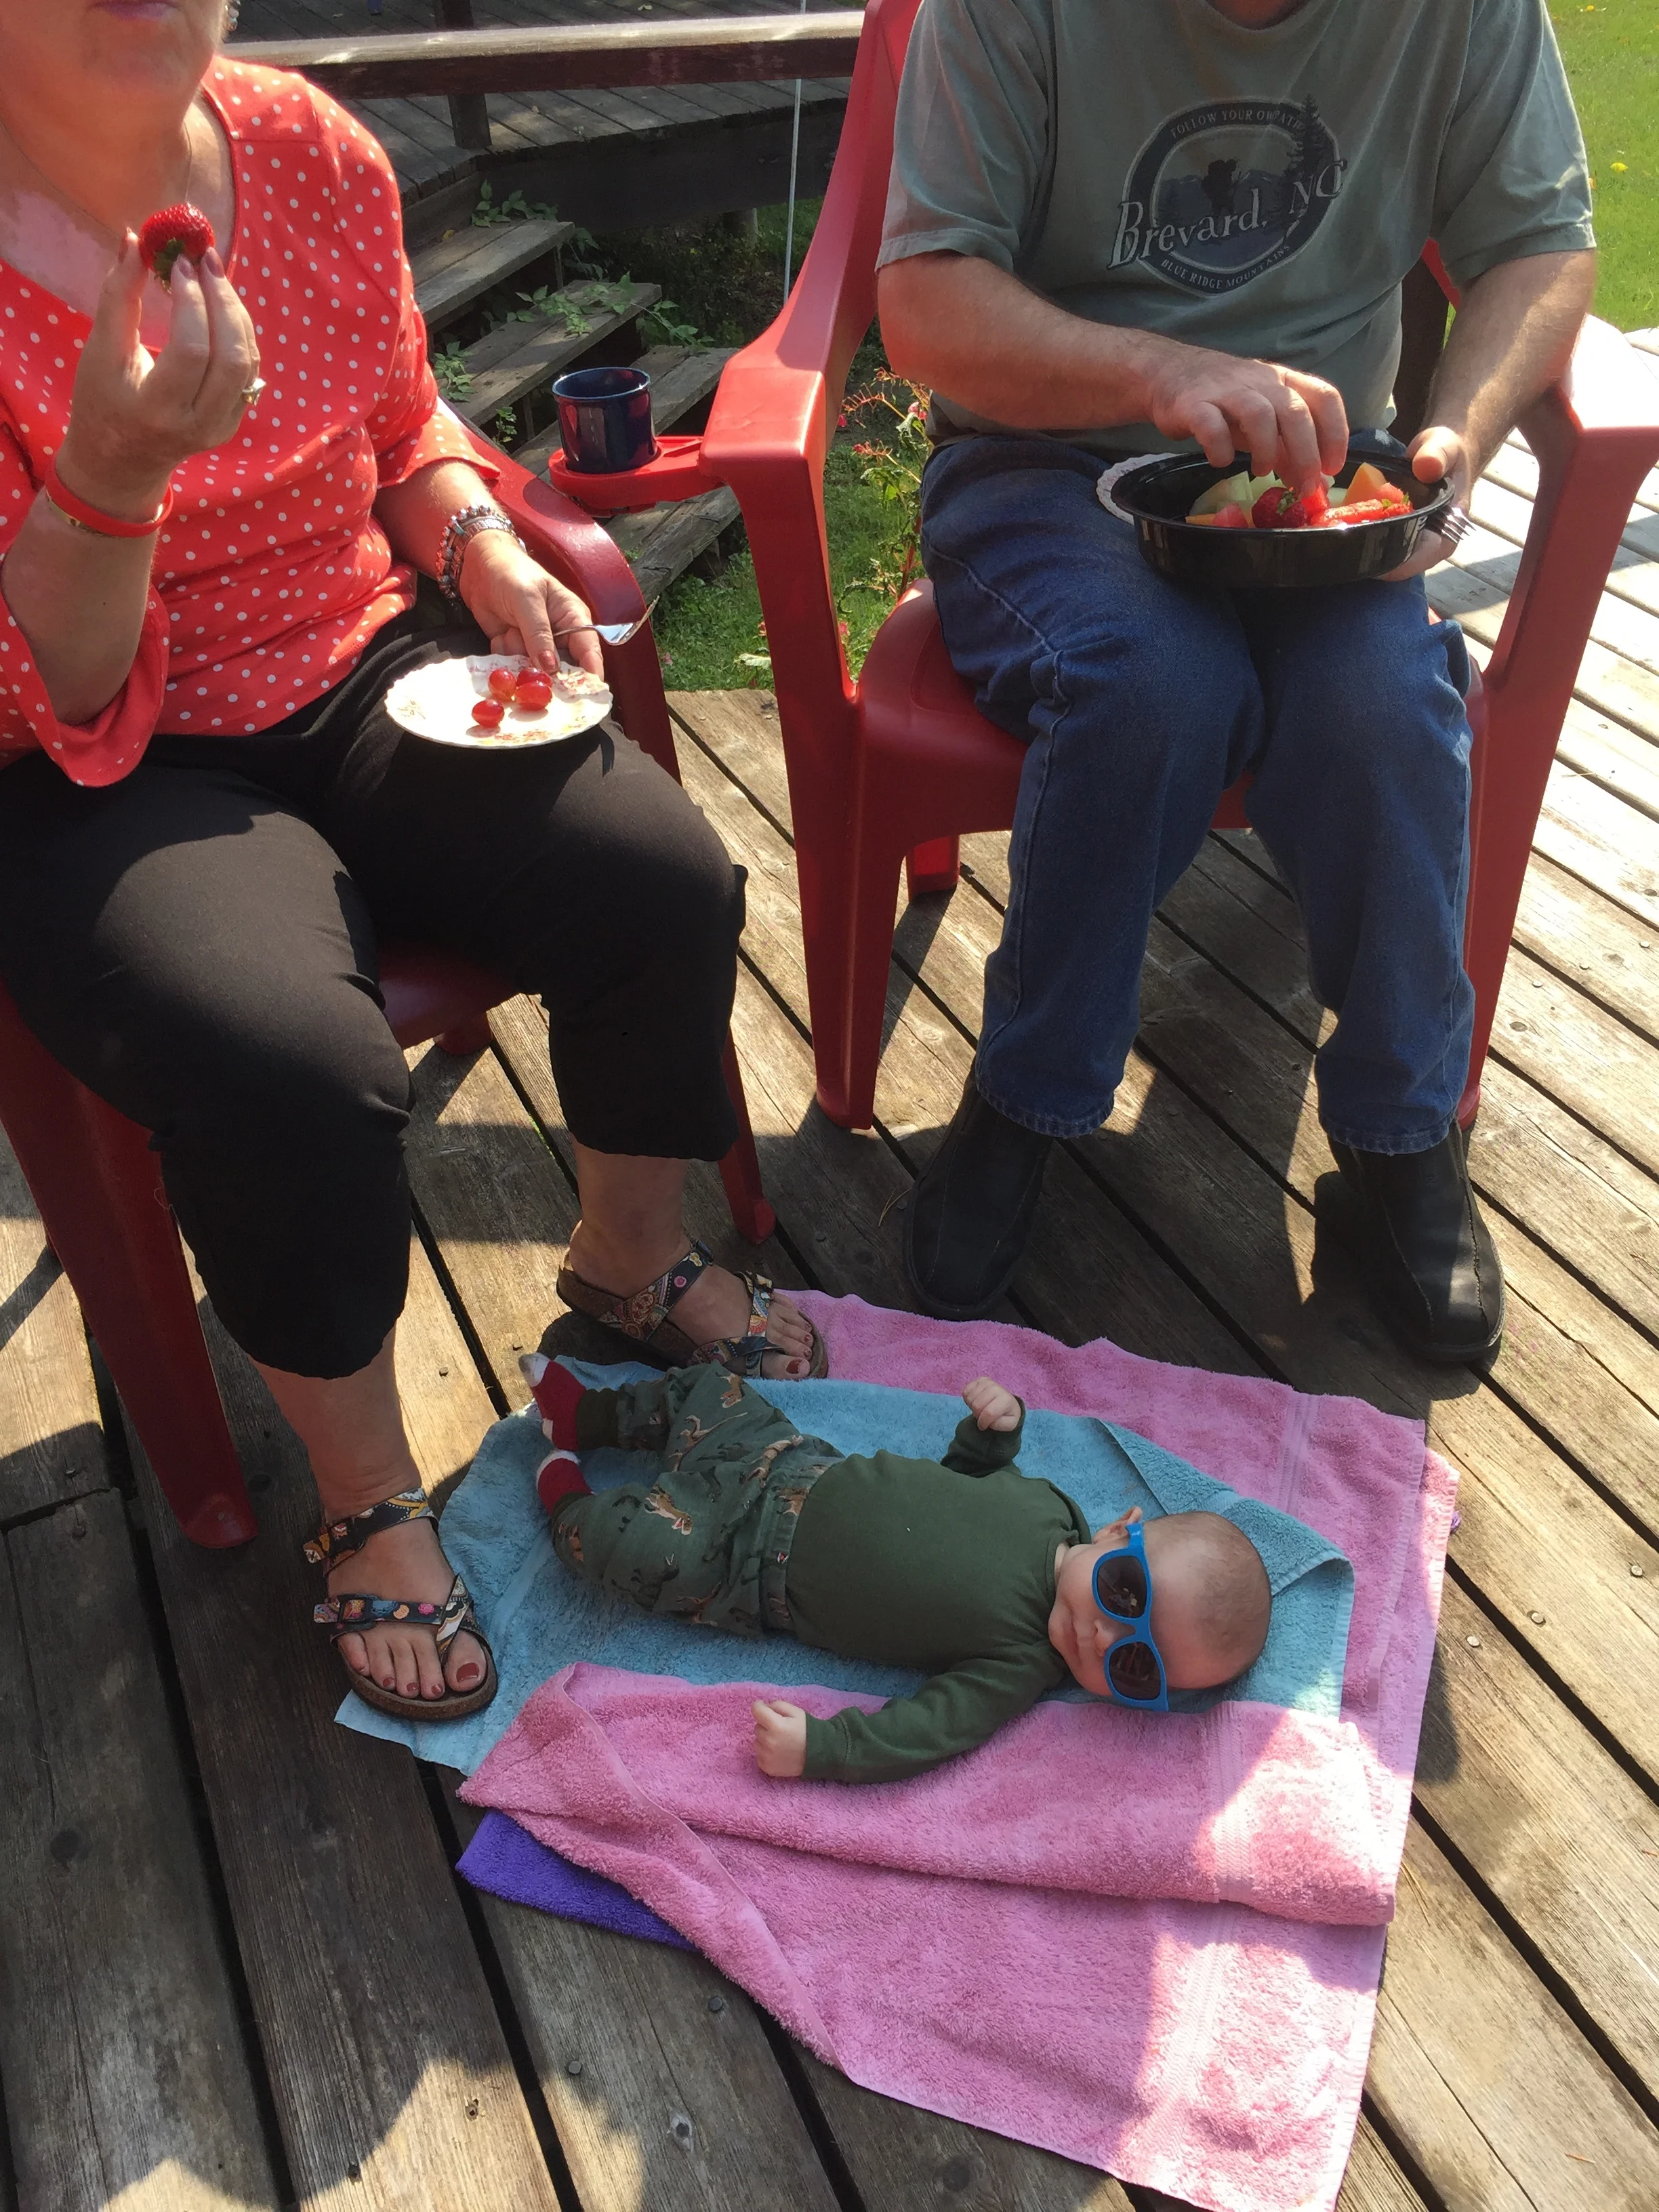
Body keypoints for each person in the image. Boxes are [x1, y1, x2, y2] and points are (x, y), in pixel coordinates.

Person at [0, 0, 823, 1726]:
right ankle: (366, 1490)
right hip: (99, 759)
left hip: (355, 664)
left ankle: (625, 1262)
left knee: (656, 875)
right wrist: (116, 464)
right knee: (286, 1060)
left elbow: (399, 423)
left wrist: (468, 537)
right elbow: (60, 680)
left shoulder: (304, 153)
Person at [875, 0, 1598, 1364]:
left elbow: (1541, 246)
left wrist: (1450, 439)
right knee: (1151, 684)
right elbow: (922, 304)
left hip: (1321, 481)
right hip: (1047, 466)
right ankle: (1030, 1091)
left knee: (1382, 707)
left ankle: (1400, 1136)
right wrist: (1166, 372)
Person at [523, 1355, 1271, 1782]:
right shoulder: (1052, 1508)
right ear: (1119, 1530)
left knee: (631, 1550)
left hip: (739, 1564)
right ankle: (587, 1418)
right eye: (1125, 1592)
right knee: (712, 1390)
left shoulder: (1018, 1665)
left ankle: (565, 1500)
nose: (1105, 1634)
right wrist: (990, 1437)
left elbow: (923, 1732)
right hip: (789, 1460)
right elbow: (953, 1483)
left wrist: (824, 1749)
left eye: (1137, 1667)